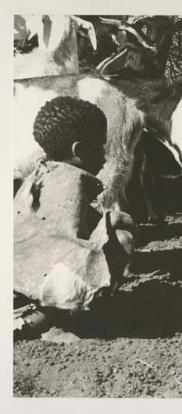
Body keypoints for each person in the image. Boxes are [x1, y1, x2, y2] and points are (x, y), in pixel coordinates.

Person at [14, 96, 135, 340]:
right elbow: (66, 244)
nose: (103, 156)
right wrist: (113, 220)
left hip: (16, 272)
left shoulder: (39, 174)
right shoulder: (74, 180)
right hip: (36, 283)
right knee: (123, 237)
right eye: (100, 147)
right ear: (79, 150)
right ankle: (71, 319)